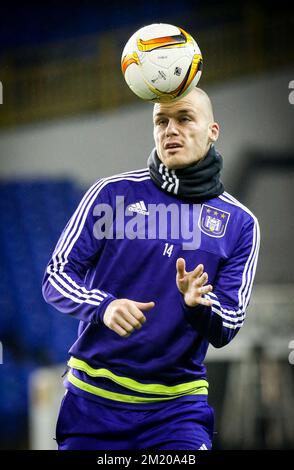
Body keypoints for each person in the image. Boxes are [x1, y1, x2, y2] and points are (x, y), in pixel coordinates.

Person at [42, 87, 260, 450]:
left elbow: (229, 325)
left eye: (184, 118)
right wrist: (104, 306)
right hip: (93, 405)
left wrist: (198, 305)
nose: (170, 130)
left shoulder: (240, 223)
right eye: (161, 121)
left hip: (177, 411)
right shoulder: (110, 195)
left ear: (213, 130)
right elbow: (56, 276)